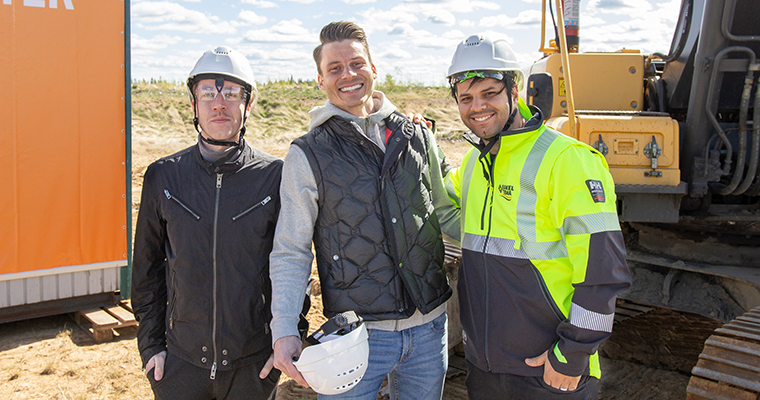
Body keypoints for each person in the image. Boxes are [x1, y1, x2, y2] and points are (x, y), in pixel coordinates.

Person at [269, 21, 460, 400]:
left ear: (374, 69)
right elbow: (291, 249)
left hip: (428, 330)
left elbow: (449, 216)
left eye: (356, 64)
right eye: (334, 68)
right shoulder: (307, 154)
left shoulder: (417, 136)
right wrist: (285, 329)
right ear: (321, 80)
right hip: (353, 340)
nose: (348, 75)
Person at [443, 35, 632, 399]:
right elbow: (440, 203)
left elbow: (603, 275)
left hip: (548, 370)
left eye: (489, 93)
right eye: (466, 98)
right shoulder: (473, 163)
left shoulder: (567, 160)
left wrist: (571, 355)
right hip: (485, 367)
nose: (477, 107)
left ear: (514, 90)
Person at [131, 46, 282, 400]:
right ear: (193, 105)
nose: (219, 103)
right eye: (207, 93)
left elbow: (292, 269)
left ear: (247, 106)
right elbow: (146, 271)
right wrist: (151, 347)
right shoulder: (163, 177)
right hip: (180, 368)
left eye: (231, 93)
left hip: (253, 367)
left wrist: (282, 344)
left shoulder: (274, 177)